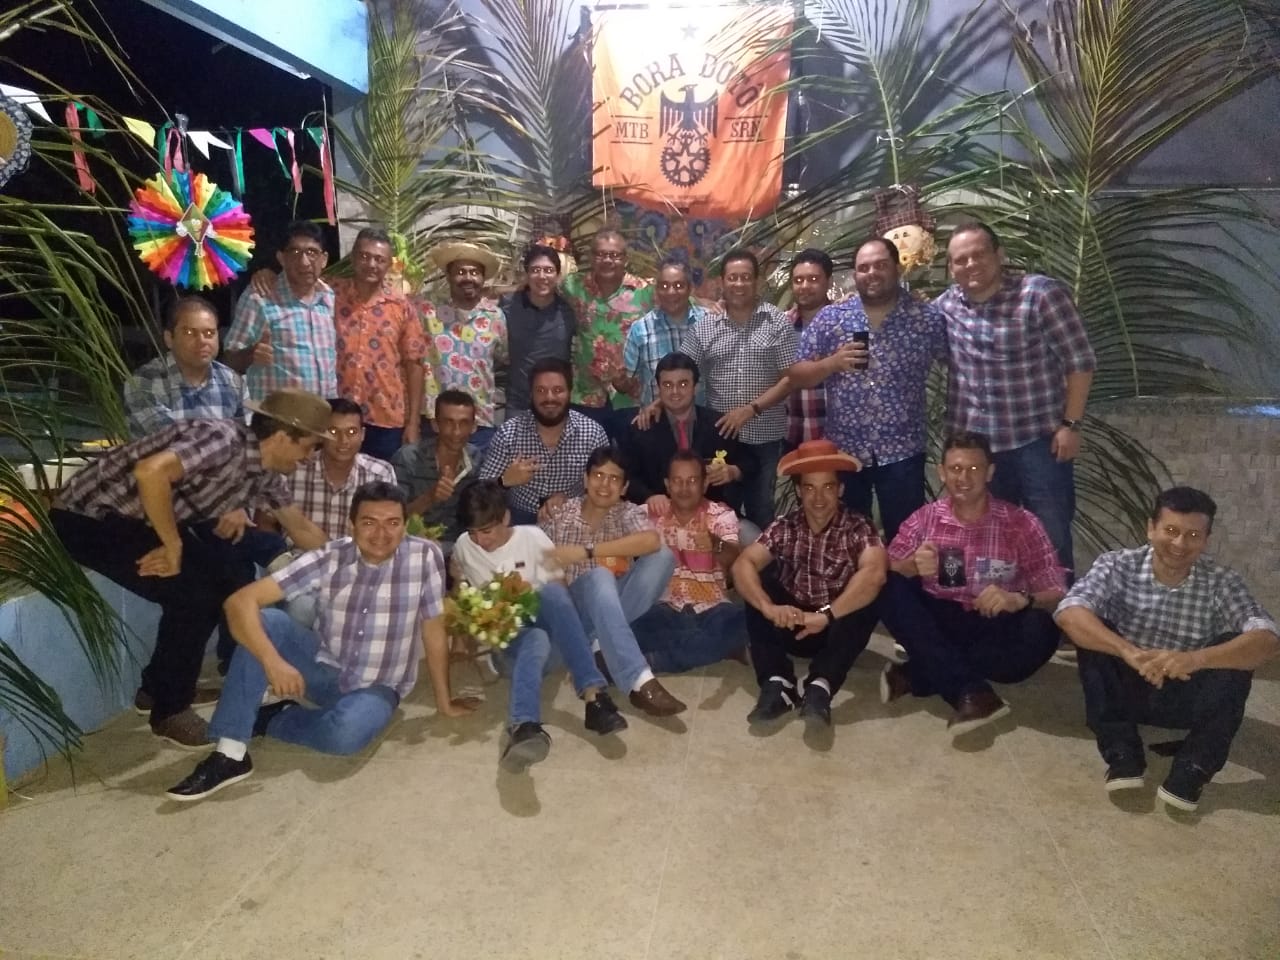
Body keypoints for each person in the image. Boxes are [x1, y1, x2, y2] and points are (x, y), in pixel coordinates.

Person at [49, 389, 330, 748]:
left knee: (226, 578)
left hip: (139, 521)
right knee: (194, 595)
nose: (310, 456)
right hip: (88, 518)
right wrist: (172, 545)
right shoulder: (222, 439)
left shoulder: (265, 473)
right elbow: (150, 472)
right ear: (282, 437)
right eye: (310, 445)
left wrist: (357, 563)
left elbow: (301, 528)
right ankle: (169, 711)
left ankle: (156, 689)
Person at [164, 483, 475, 801]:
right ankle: (230, 753)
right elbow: (238, 603)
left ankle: (274, 718)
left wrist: (444, 701)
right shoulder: (330, 556)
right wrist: (273, 662)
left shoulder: (425, 557)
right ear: (352, 525)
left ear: (404, 526)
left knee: (345, 736)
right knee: (267, 620)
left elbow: (433, 628)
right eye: (369, 522)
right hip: (322, 667)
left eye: (392, 523)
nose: (381, 534)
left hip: (379, 686)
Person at [1056, 486, 1279, 813]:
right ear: (1151, 528)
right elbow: (1068, 613)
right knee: (1095, 632)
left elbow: (1268, 640)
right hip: (1125, 688)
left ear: (1206, 540)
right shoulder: (1117, 565)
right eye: (1171, 530)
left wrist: (1195, 659)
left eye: (1193, 535)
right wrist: (1127, 651)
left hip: (1186, 695)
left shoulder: (1221, 581)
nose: (1179, 544)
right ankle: (1122, 753)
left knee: (1235, 649)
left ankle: (1194, 766)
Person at [880, 431, 1067, 737]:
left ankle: (921, 672)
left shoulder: (1020, 523)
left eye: (974, 468)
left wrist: (1019, 597)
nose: (964, 478)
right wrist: (911, 565)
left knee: (1042, 631)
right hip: (941, 617)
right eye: (955, 468)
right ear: (942, 472)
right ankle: (971, 692)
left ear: (990, 472)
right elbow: (885, 567)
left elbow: (1057, 589)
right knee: (888, 586)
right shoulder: (925, 519)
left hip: (994, 623)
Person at [936, 222, 1095, 572]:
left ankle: (1056, 608)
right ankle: (1001, 608)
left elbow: (1080, 361)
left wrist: (1071, 424)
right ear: (950, 268)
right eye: (960, 260)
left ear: (999, 255)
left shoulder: (1039, 295)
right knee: (990, 546)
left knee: (1051, 540)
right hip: (978, 452)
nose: (970, 264)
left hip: (1038, 443)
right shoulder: (944, 308)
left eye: (979, 254)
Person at [452, 481, 627, 772]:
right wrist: (458, 586)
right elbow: (461, 598)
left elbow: (561, 596)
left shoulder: (532, 537)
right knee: (535, 639)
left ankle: (589, 699)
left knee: (552, 595)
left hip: (551, 635)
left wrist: (573, 647)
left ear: (506, 517)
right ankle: (528, 725)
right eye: (473, 532)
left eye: (486, 530)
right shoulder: (463, 547)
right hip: (509, 642)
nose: (480, 540)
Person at [790, 238, 948, 542]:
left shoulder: (926, 319)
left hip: (903, 452)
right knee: (847, 541)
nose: (872, 273)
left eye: (880, 265)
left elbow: (956, 364)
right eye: (864, 268)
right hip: (846, 451)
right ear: (855, 274)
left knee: (906, 540)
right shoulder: (832, 318)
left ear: (897, 268)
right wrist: (832, 364)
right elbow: (796, 375)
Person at [732, 440, 886, 730]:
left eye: (827, 487)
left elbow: (875, 572)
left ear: (840, 490)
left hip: (834, 627)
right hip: (791, 621)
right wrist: (768, 607)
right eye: (810, 488)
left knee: (872, 592)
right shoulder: (785, 526)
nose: (818, 498)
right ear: (800, 491)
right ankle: (778, 682)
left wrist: (826, 615)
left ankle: (821, 685)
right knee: (755, 583)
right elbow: (743, 564)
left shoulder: (859, 527)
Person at [540, 446, 685, 717]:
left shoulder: (627, 513)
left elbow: (652, 541)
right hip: (572, 611)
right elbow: (538, 566)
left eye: (614, 478)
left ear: (624, 487)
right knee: (599, 575)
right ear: (585, 479)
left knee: (663, 556)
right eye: (598, 475)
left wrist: (586, 552)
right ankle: (638, 679)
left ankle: (598, 643)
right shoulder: (560, 514)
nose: (604, 485)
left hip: (612, 605)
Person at [680, 248, 796, 529]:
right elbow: (683, 371)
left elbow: (790, 378)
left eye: (746, 277)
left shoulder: (777, 322)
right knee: (721, 514)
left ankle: (761, 558)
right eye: (733, 277)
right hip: (722, 438)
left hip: (765, 436)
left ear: (757, 281)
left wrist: (750, 410)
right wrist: (660, 402)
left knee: (762, 511)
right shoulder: (706, 325)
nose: (739, 283)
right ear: (722, 281)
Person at [630, 452, 748, 673]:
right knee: (629, 628)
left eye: (692, 480)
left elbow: (734, 558)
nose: (684, 488)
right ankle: (717, 647)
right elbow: (610, 518)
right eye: (677, 481)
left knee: (747, 622)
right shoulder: (649, 514)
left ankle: (655, 662)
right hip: (664, 608)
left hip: (713, 607)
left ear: (705, 484)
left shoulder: (720, 515)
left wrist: (715, 543)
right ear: (667, 485)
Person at [330, 227, 426, 460]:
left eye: (379, 259)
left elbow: (415, 365)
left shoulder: (401, 307)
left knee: (382, 480)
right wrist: (266, 275)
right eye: (365, 256)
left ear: (389, 264)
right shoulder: (330, 294)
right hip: (336, 413)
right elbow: (297, 282)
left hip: (385, 417)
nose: (371, 264)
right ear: (353, 257)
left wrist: (413, 422)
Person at [478, 358, 608, 525]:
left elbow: (608, 488)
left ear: (570, 393)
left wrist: (572, 501)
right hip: (519, 518)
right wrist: (504, 481)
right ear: (531, 395)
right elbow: (480, 493)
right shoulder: (508, 433)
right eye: (541, 390)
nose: (549, 398)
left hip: (574, 516)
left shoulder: (592, 433)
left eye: (558, 390)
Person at [621, 352, 752, 516]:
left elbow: (750, 462)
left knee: (750, 531)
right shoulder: (642, 428)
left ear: (696, 387)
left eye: (683, 384)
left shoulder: (719, 424)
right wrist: (648, 496)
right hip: (659, 517)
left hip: (713, 516)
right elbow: (626, 476)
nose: (675, 391)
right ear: (658, 388)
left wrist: (733, 471)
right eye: (667, 385)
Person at [224, 220, 336, 401]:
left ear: (324, 260)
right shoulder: (259, 298)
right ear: (281, 258)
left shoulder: (330, 299)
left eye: (312, 252)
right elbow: (229, 360)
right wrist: (251, 355)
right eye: (295, 252)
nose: (304, 262)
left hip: (323, 414)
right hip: (274, 416)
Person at [417, 240, 507, 451]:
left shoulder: (496, 317)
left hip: (479, 421)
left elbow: (503, 358)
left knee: (477, 473)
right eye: (460, 272)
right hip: (435, 420)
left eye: (474, 272)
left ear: (483, 278)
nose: (468, 278)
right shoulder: (427, 310)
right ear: (448, 276)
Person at [561, 229, 654, 431]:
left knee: (630, 451)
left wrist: (714, 304)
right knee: (586, 450)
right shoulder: (574, 285)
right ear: (591, 257)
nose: (607, 260)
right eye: (601, 254)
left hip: (631, 396)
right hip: (586, 395)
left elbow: (681, 299)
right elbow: (541, 286)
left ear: (625, 259)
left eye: (614, 255)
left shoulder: (646, 291)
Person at [123, 295, 248, 439]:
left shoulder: (233, 382)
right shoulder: (145, 382)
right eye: (189, 333)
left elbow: (244, 438)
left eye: (209, 333)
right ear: (169, 339)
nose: (202, 341)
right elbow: (171, 441)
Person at [286, 398, 396, 543]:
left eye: (351, 432)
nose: (343, 440)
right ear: (320, 434)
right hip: (299, 556)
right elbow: (266, 523)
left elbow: (390, 530)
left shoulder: (380, 474)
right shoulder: (295, 468)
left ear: (363, 434)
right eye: (333, 431)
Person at [391, 390, 480, 544]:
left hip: (459, 545)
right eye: (449, 422)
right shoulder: (408, 458)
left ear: (474, 427)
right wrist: (430, 497)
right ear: (435, 425)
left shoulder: (476, 458)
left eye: (464, 423)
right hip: (412, 543)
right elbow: (392, 517)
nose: (456, 431)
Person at [621, 257, 711, 407]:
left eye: (678, 285)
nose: (671, 292)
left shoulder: (709, 322)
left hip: (702, 416)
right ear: (657, 290)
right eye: (664, 286)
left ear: (690, 289)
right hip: (656, 417)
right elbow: (627, 382)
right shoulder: (640, 330)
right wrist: (619, 381)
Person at [500, 244, 577, 420]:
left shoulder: (569, 311)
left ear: (558, 275)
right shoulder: (508, 305)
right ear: (527, 274)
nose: (542, 276)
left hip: (556, 403)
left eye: (548, 270)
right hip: (518, 402)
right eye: (535, 270)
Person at [784, 249, 833, 451]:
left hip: (838, 439)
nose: (804, 286)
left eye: (813, 279)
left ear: (828, 282)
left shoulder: (845, 321)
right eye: (798, 280)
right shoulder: (781, 325)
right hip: (793, 437)